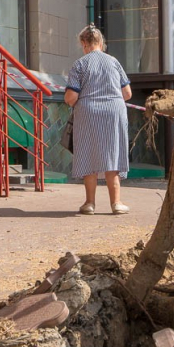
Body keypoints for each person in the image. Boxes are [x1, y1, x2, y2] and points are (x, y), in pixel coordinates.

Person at [64, 24, 132, 214]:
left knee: (88, 154)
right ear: (101, 43)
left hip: (89, 112)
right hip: (114, 112)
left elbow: (71, 97)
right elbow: (127, 93)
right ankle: (116, 203)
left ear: (85, 43)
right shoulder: (114, 62)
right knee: (113, 154)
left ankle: (90, 203)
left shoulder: (80, 64)